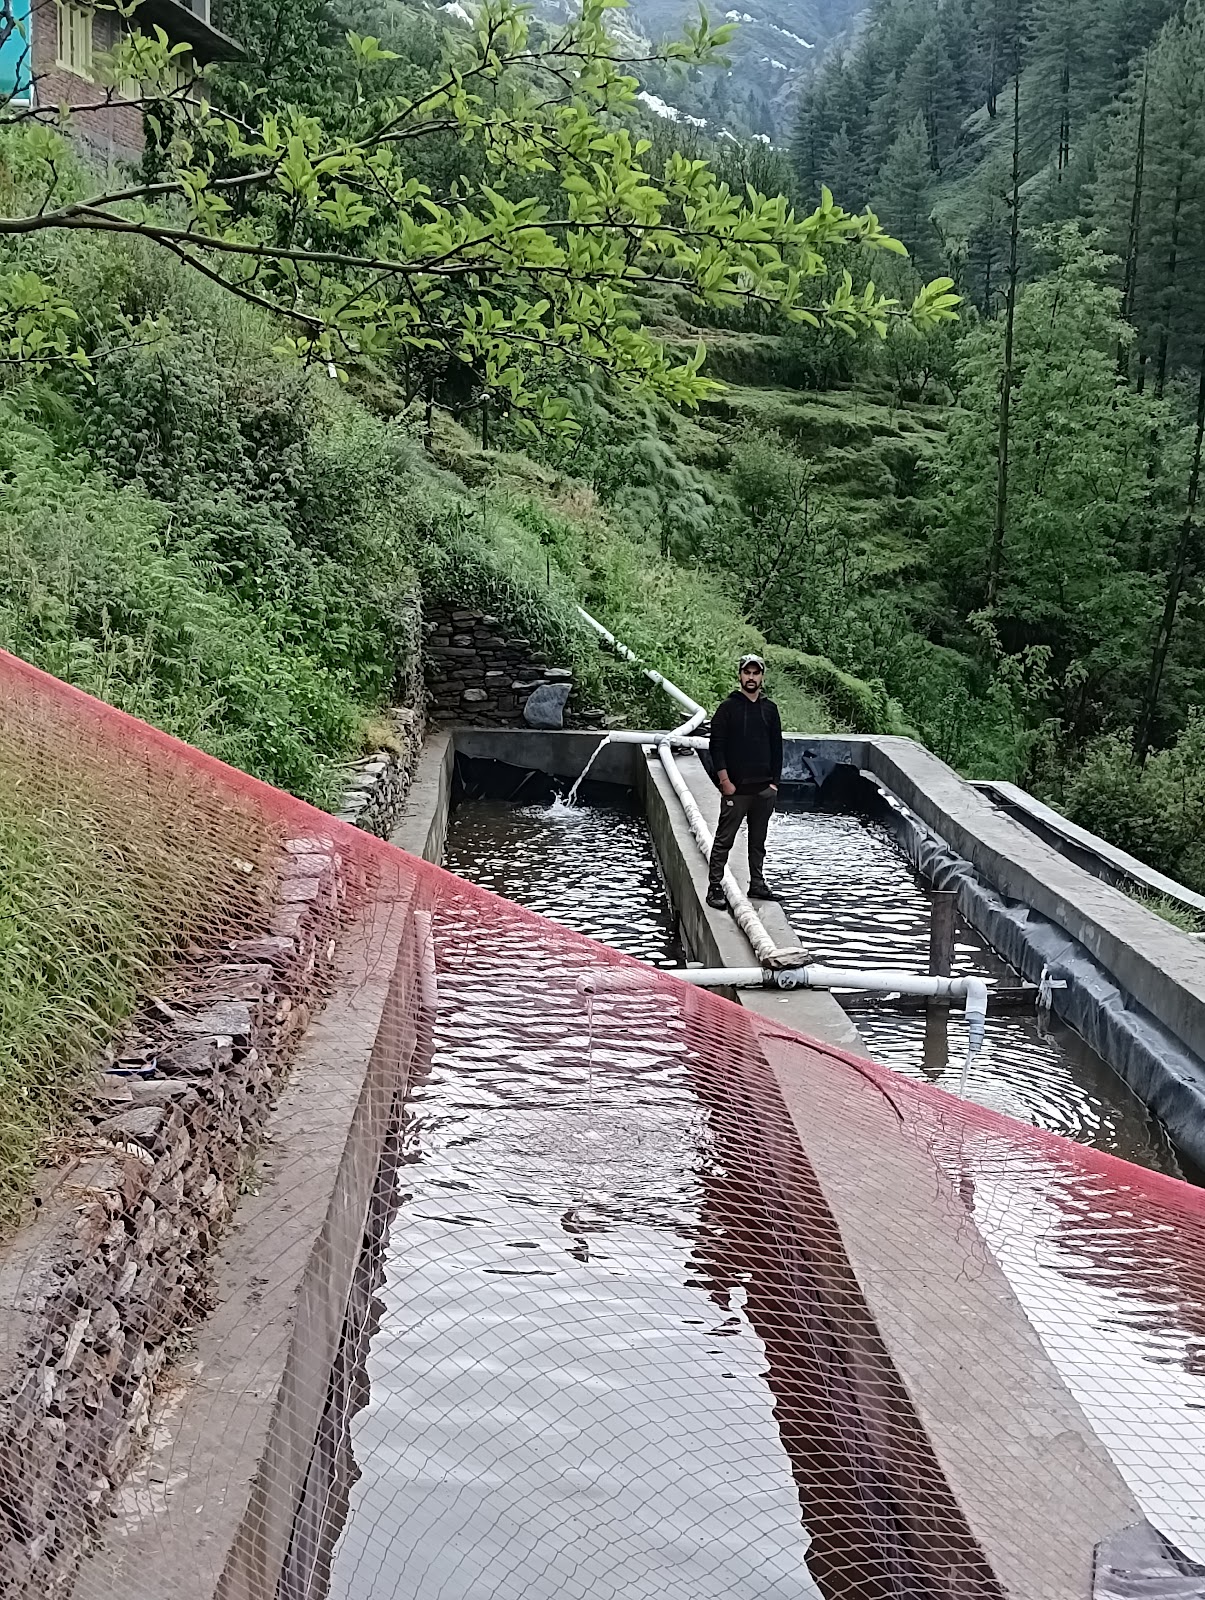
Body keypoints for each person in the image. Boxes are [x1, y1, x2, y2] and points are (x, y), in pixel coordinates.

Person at [705, 653, 782, 910]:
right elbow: (717, 746)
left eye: (755, 673)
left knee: (758, 841)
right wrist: (724, 780)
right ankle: (714, 887)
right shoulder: (728, 708)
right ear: (740, 675)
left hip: (763, 790)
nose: (751, 677)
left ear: (762, 676)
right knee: (724, 840)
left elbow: (777, 748)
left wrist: (774, 785)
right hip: (735, 789)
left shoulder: (770, 709)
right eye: (747, 673)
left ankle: (757, 883)